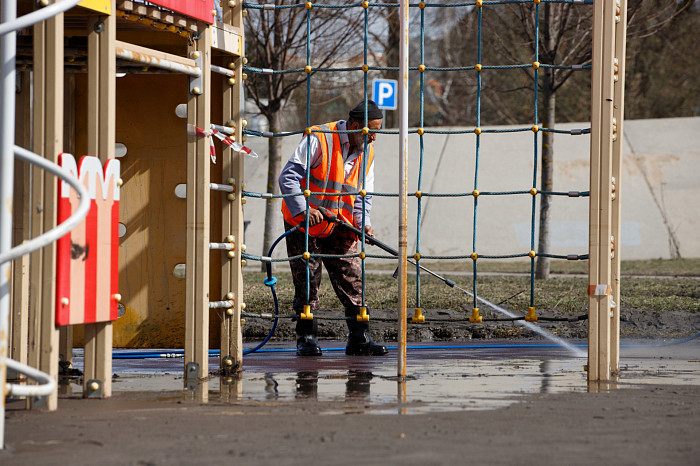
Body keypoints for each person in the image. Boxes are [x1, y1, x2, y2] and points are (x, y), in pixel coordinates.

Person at [279, 99, 389, 357]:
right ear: (353, 125)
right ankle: (306, 338)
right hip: (305, 223)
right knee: (308, 280)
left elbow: (362, 196)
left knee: (353, 279)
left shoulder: (367, 151)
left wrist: (363, 225)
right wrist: (305, 210)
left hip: (340, 224)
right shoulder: (319, 138)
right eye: (370, 130)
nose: (374, 137)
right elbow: (288, 177)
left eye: (377, 131)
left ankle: (360, 338)